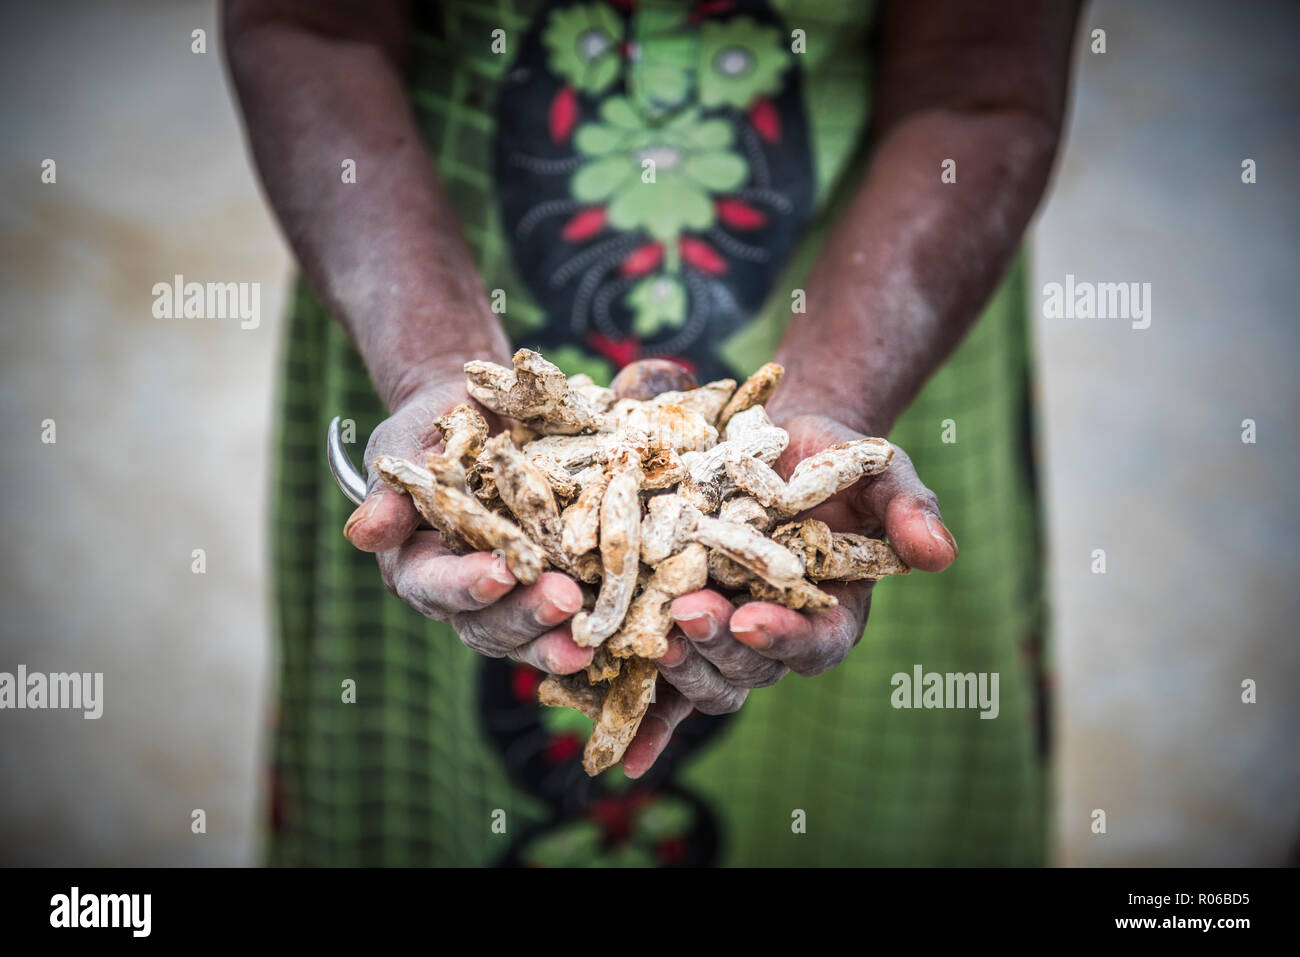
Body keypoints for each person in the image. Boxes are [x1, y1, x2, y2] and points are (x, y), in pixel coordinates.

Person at [226, 0, 1079, 866]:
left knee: (845, 703)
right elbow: (309, 27)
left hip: (877, 297)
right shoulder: (465, 400)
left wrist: (842, 390)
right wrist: (428, 361)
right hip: (411, 269)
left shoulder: (799, 462)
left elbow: (980, 92)